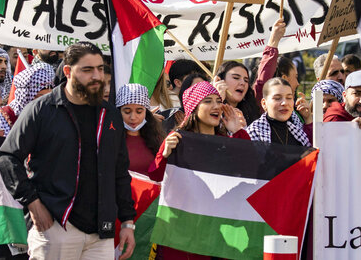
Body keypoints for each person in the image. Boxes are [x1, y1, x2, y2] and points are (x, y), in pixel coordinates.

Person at [0, 42, 136, 260]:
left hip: (101, 231)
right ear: (68, 71)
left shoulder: (110, 114)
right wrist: (33, 203)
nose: (97, 76)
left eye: (100, 68)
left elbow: (119, 171)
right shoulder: (42, 109)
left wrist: (128, 222)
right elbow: (7, 157)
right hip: (56, 225)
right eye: (88, 70)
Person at [148, 81, 248, 260]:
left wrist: (238, 132)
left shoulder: (226, 142)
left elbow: (250, 170)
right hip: (183, 232)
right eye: (208, 101)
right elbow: (155, 176)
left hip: (220, 231)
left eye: (218, 101)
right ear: (193, 107)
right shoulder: (177, 140)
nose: (216, 106)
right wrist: (163, 155)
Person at [0, 63, 54, 146]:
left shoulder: (48, 119)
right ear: (26, 95)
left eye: (49, 98)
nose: (45, 102)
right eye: (40, 98)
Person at [246, 78, 312, 146]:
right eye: (277, 98)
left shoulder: (298, 131)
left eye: (289, 98)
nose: (284, 103)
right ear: (264, 103)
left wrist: (308, 118)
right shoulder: (254, 132)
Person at [116, 84, 164, 174]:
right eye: (127, 111)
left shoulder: (157, 139)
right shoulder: (111, 139)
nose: (133, 117)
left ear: (146, 112)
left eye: (139, 111)